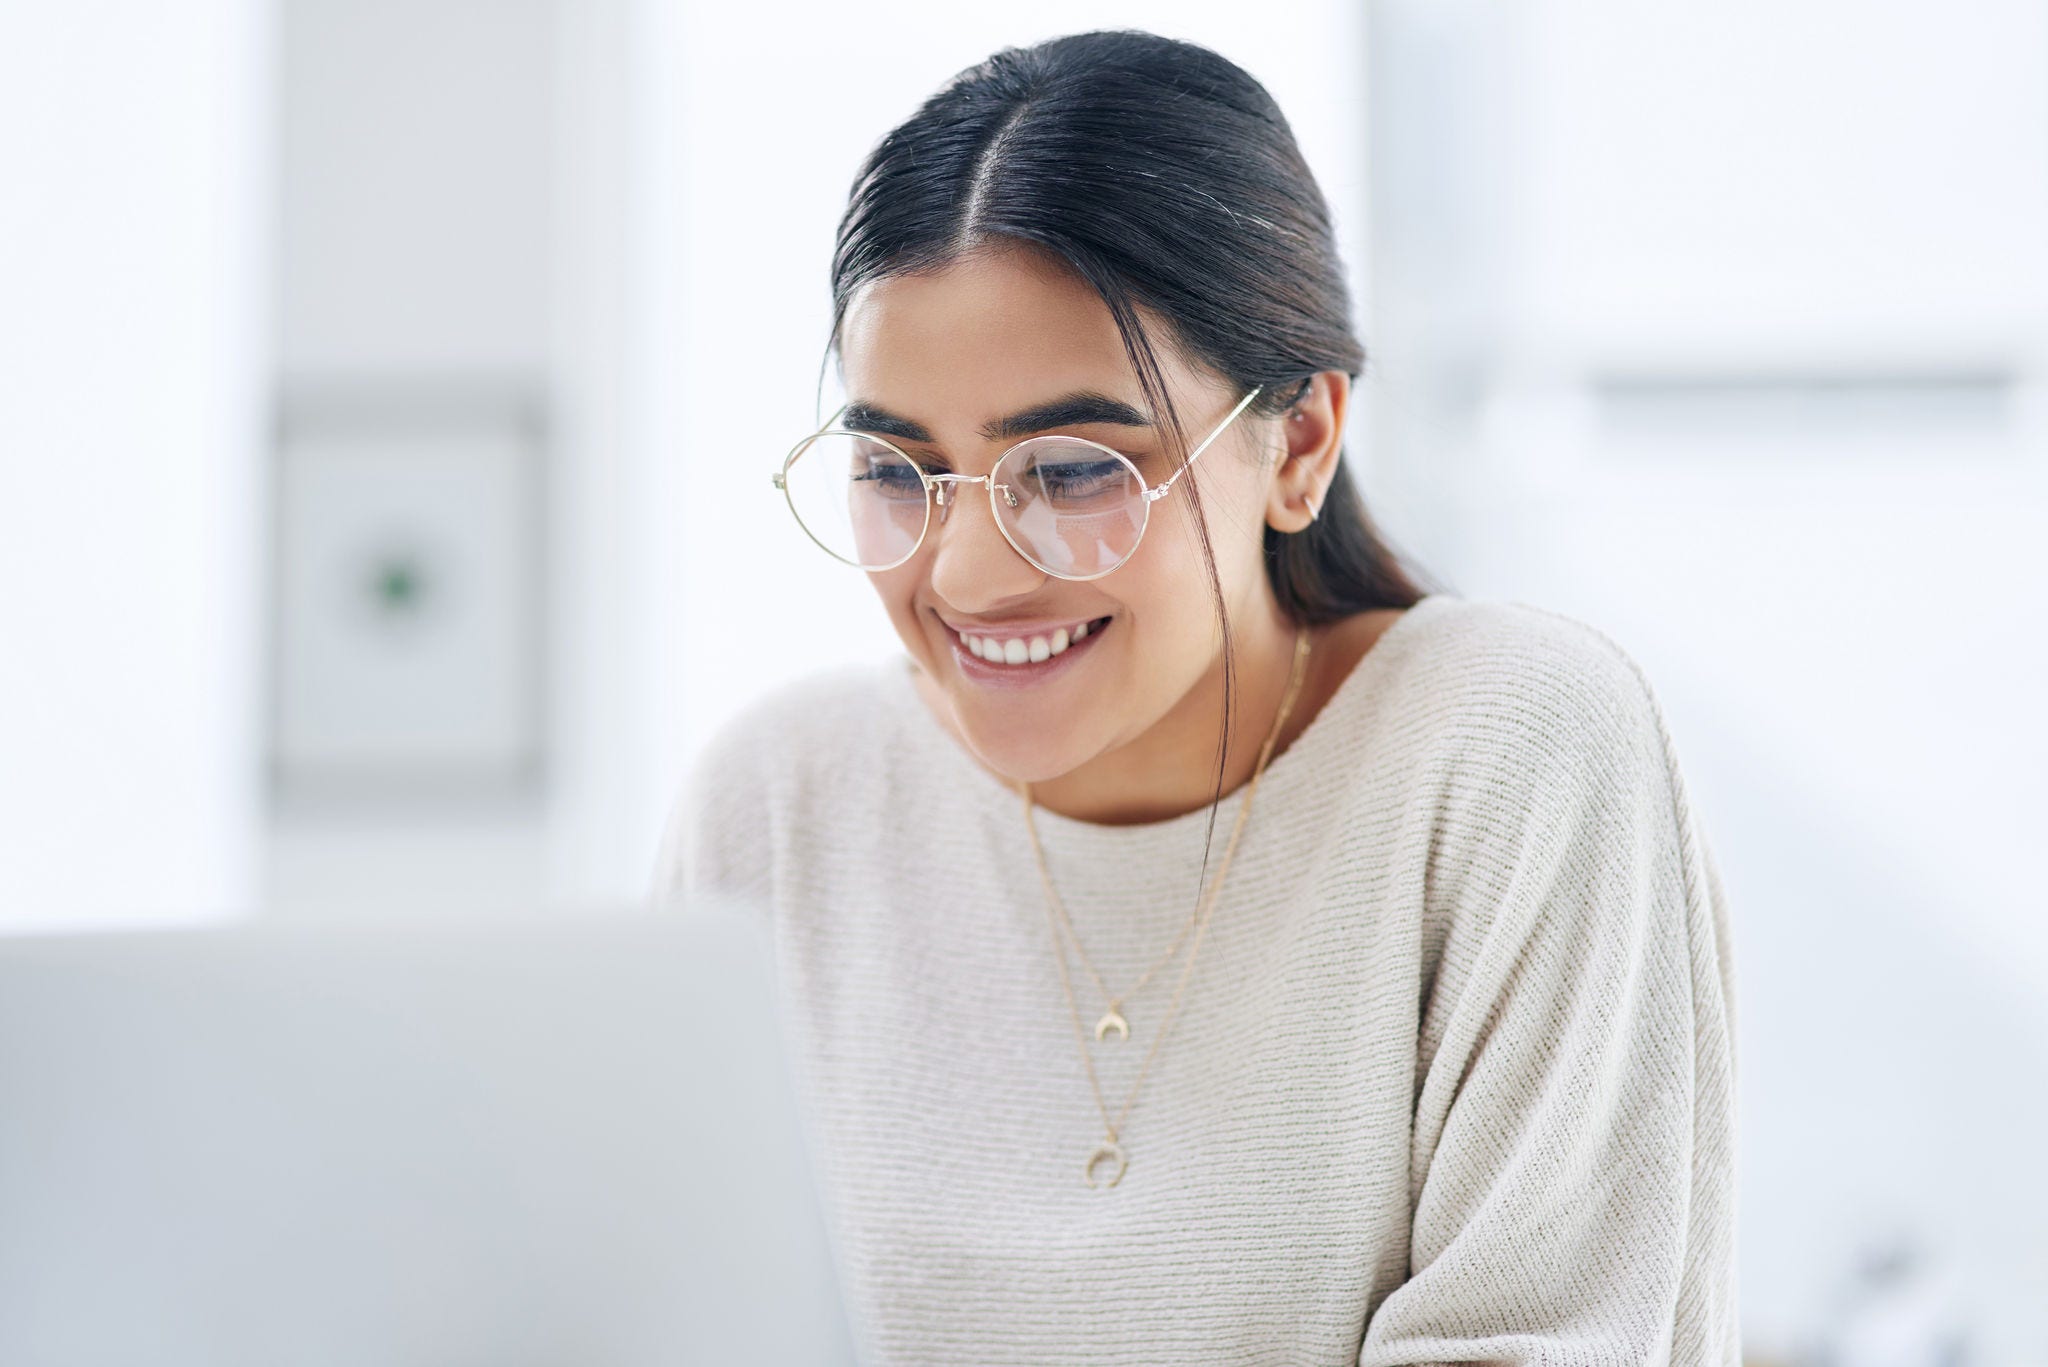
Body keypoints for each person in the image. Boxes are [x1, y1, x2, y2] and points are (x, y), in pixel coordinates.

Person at [652, 28, 1739, 1366]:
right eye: (899, 470)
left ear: (1301, 443)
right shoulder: (780, 802)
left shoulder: (1508, 746)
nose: (970, 573)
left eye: (1073, 470)